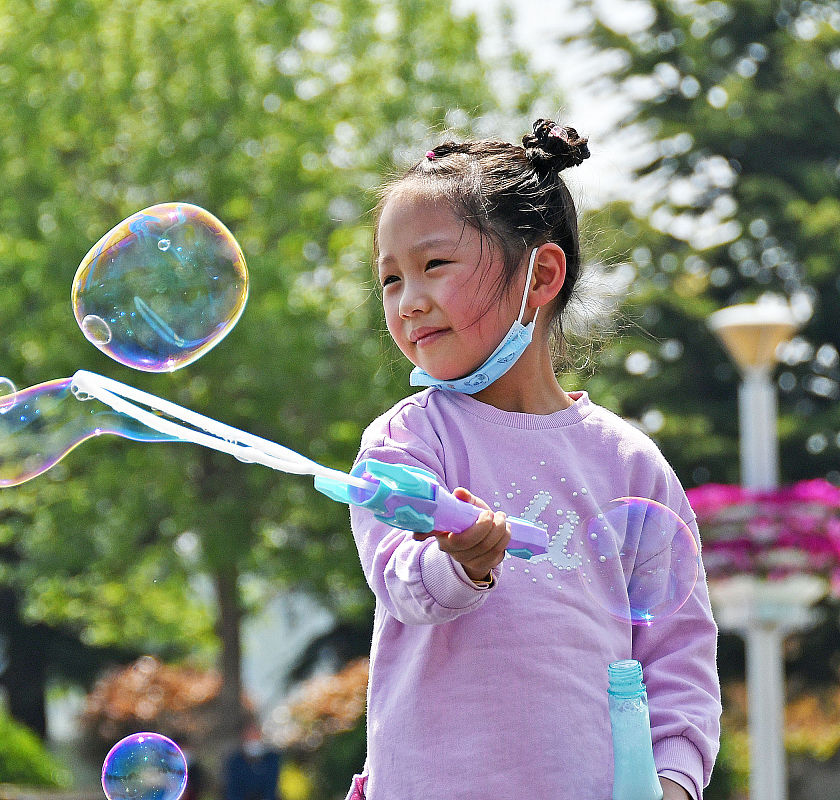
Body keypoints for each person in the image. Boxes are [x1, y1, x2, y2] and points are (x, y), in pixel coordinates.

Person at [342, 119, 721, 800]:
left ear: (541, 274)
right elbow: (399, 581)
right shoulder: (407, 442)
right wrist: (458, 561)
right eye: (390, 279)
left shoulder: (629, 463)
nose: (409, 300)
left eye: (433, 265)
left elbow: (677, 651)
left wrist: (673, 782)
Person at [223, 721, 281, 800]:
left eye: (255, 732)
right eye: (249, 733)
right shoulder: (235, 760)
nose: (253, 736)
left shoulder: (272, 758)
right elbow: (233, 789)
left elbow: (272, 787)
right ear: (243, 735)